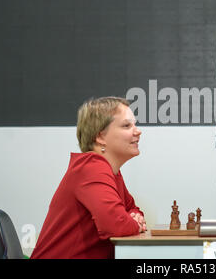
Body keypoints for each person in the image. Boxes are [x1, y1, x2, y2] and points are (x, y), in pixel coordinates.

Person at [31, 97, 146, 259]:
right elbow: (117, 224)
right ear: (100, 137)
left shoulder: (111, 171)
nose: (137, 131)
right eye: (126, 125)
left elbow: (133, 210)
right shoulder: (91, 167)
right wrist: (134, 223)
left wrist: (133, 218)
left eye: (134, 124)